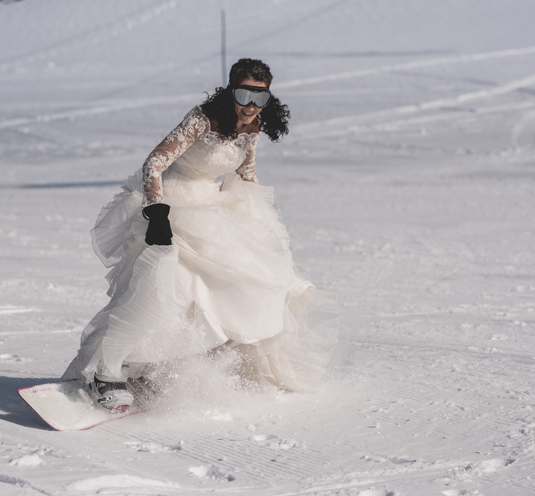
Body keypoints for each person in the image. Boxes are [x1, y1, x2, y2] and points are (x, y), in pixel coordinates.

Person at [61, 58, 337, 411]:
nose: (251, 105)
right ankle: (109, 370)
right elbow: (154, 163)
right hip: (174, 205)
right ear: (230, 90)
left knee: (242, 286)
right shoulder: (202, 119)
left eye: (261, 97)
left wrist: (261, 221)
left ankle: (154, 369)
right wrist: (156, 211)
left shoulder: (253, 125)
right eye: (244, 94)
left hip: (213, 210)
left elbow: (246, 172)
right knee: (165, 288)